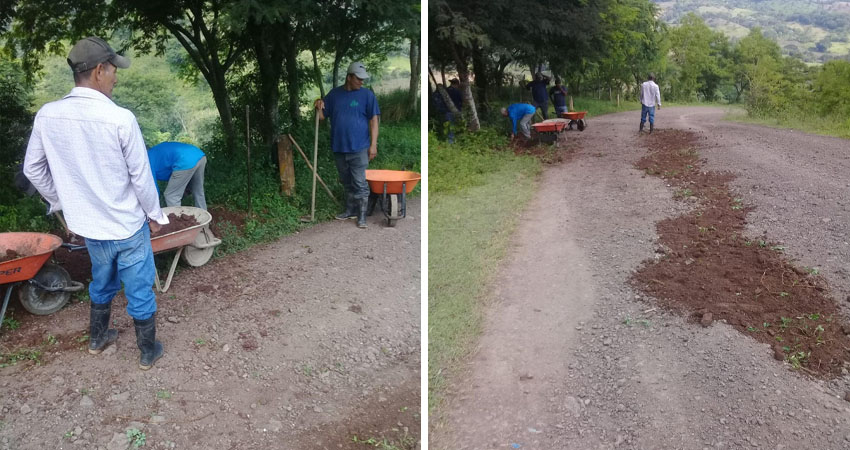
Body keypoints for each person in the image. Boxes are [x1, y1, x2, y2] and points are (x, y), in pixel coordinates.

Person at [23, 36, 168, 370]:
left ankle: (97, 339)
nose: (117, 77)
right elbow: (141, 178)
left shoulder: (48, 115)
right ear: (100, 70)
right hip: (127, 226)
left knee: (102, 280)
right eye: (114, 70)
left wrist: (60, 201)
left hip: (89, 228)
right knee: (139, 286)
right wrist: (155, 215)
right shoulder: (120, 119)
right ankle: (147, 352)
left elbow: (32, 168)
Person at [314, 61, 380, 228]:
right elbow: (322, 116)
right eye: (358, 79)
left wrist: (373, 145)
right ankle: (350, 210)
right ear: (349, 77)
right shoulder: (334, 95)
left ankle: (362, 215)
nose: (361, 82)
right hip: (339, 147)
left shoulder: (367, 95)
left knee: (359, 181)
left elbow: (374, 120)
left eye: (363, 79)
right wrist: (318, 104)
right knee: (346, 181)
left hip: (359, 147)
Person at [147, 141, 208, 210]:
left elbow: (152, 186)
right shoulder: (156, 151)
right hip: (199, 155)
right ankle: (204, 216)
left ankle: (177, 218)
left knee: (171, 195)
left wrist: (153, 204)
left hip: (184, 161)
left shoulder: (147, 159)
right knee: (198, 190)